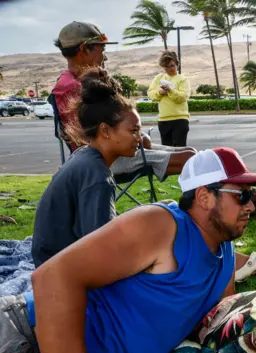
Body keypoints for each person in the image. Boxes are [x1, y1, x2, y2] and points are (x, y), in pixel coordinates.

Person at [5, 148, 256, 353]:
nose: (251, 206)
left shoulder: (226, 255)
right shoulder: (162, 225)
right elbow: (53, 277)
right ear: (204, 196)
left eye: (253, 196)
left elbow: (215, 326)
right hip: (27, 344)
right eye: (243, 195)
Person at [51, 21, 196, 180]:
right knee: (189, 158)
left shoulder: (83, 82)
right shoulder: (70, 88)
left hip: (120, 146)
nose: (104, 56)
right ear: (84, 49)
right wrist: (136, 137)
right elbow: (86, 140)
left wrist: (135, 136)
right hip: (104, 158)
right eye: (102, 50)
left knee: (191, 152)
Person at [32, 68, 140, 267]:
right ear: (105, 130)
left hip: (50, 257)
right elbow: (101, 249)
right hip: (58, 269)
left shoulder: (84, 156)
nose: (139, 139)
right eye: (133, 131)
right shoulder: (97, 175)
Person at [148, 51, 191, 147]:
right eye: (166, 67)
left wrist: (170, 91)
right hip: (163, 120)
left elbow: (183, 97)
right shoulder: (158, 78)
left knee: (180, 150)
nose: (169, 69)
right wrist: (160, 92)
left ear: (177, 64)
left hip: (180, 119)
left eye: (172, 65)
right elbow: (151, 94)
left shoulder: (182, 79)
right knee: (166, 151)